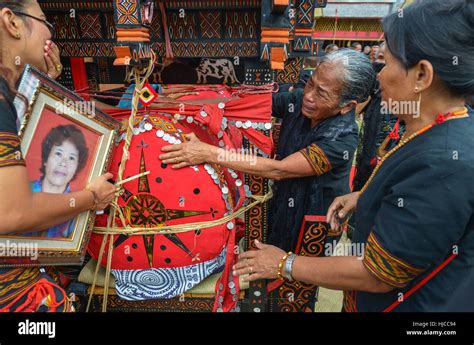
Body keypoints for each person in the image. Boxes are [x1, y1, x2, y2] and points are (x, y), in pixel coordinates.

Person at [231, 0, 474, 312]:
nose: (380, 77)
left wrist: (284, 263)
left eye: (385, 63)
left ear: (422, 76)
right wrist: (364, 195)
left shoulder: (444, 162)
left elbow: (379, 273)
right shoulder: (431, 128)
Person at [159, 49, 375, 253]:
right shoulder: (298, 101)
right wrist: (193, 96)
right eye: (310, 83)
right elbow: (248, 104)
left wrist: (207, 153)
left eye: (322, 93)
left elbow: (280, 170)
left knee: (295, 280)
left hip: (313, 224)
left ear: (346, 106)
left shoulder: (342, 139)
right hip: (281, 206)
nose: (309, 95)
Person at [0, 0, 117, 311]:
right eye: (44, 22)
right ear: (12, 23)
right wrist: (92, 197)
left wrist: (46, 87)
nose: (49, 36)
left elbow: (28, 128)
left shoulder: (7, 94)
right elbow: (11, 213)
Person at [23, 125, 90, 238]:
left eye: (71, 158)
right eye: (58, 154)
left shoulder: (80, 205)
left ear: (77, 167)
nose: (63, 163)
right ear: (46, 159)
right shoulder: (21, 190)